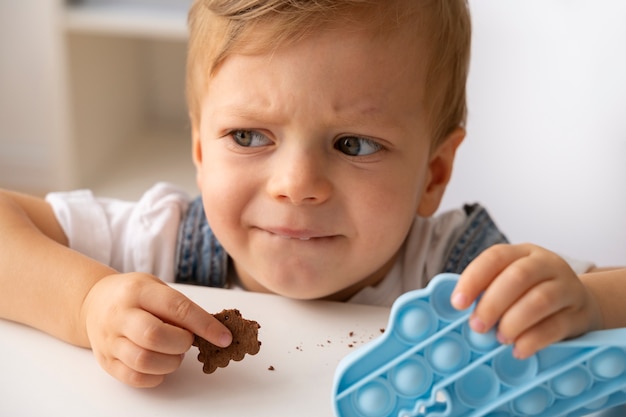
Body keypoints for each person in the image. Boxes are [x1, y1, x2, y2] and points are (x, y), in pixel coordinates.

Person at [0, 0, 624, 389]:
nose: (295, 185)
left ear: (433, 174)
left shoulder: (457, 274)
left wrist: (588, 306)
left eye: (354, 144)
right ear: (199, 149)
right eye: (248, 136)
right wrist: (86, 301)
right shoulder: (158, 242)